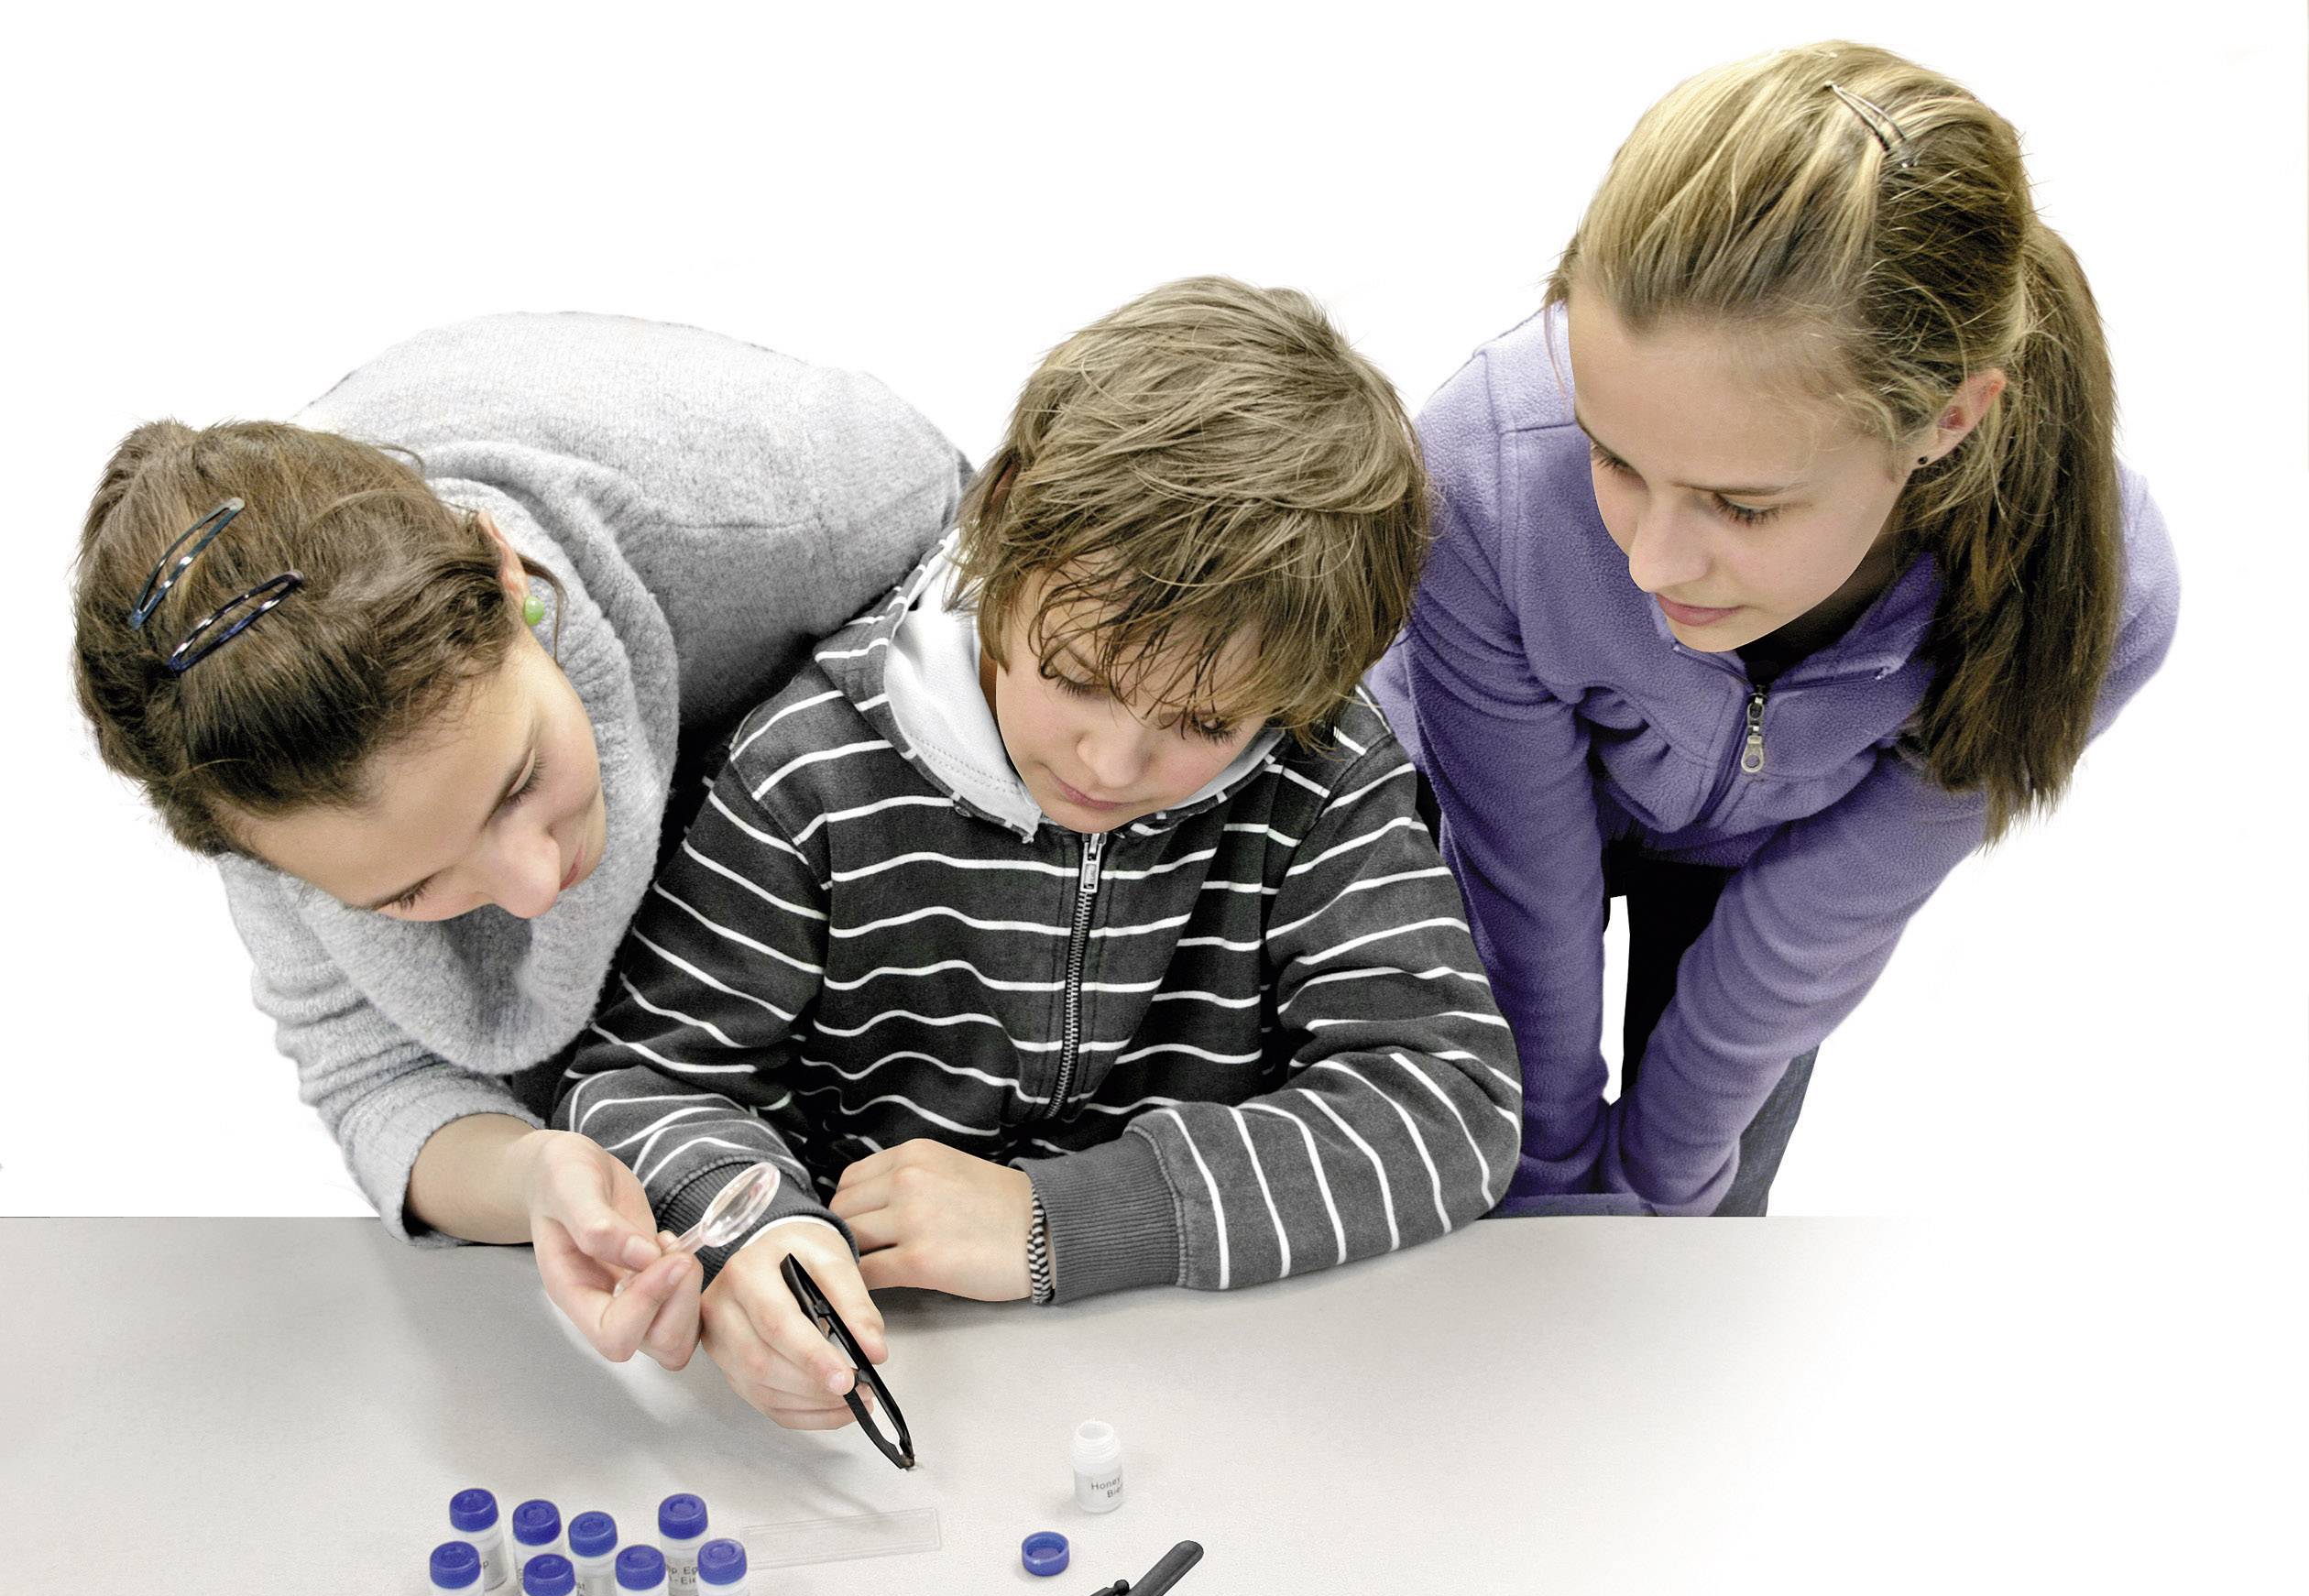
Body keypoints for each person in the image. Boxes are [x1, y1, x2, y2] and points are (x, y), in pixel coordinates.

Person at [556, 277, 1527, 1428]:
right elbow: (641, 1076)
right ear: (1005, 521)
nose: (1112, 766)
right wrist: (751, 1232)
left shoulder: (1321, 771)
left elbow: (1450, 1100)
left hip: (1219, 1383)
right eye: (1076, 673)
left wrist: (1064, 1218)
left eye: (1206, 725)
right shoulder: (806, 768)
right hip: (888, 1372)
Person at [71, 312, 966, 1391]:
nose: (539, 887)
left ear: (507, 577)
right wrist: (538, 1172)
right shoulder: (250, 759)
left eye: (519, 780)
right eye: (408, 889)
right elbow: (375, 1071)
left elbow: (1017, 687)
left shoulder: (803, 498)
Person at [1369, 41, 2180, 1215]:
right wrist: (1537, 1171)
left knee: (1695, 1222)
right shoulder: (1484, 472)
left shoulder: (2105, 593)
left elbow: (1800, 932)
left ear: (1948, 418)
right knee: (1481, 1196)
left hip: (1771, 873)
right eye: (1612, 457)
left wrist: (1665, 1193)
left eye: (1743, 505)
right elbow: (1519, 889)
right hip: (1506, 828)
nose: (1651, 561)